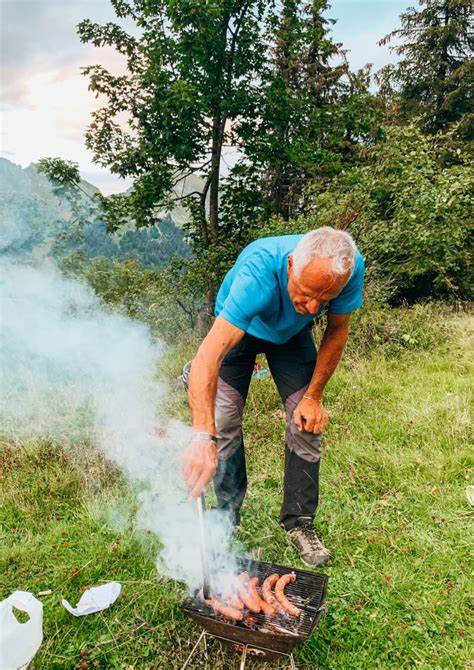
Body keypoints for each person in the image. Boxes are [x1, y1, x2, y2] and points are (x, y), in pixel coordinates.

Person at [181, 227, 364, 566]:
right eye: (307, 293)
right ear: (292, 264)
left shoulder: (348, 269)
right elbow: (210, 353)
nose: (312, 308)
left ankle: (300, 523)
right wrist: (201, 435)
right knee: (223, 424)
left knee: (307, 422)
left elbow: (337, 330)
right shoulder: (259, 271)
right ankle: (224, 520)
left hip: (291, 338)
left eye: (323, 301)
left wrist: (314, 396)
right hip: (242, 329)